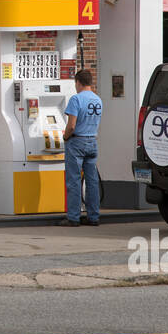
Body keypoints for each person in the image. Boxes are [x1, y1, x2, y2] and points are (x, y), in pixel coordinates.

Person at [58, 69, 103, 226]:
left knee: (74, 181)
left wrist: (65, 137)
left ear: (78, 82)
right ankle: (93, 217)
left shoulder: (76, 99)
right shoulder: (98, 100)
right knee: (92, 182)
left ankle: (73, 217)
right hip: (92, 142)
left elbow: (71, 125)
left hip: (77, 142)